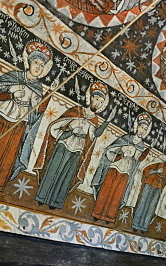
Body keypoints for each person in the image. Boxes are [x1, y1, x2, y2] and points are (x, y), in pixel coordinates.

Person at [0, 41, 53, 193]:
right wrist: (10, 93)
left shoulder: (38, 88)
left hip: (19, 124)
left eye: (41, 65)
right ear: (29, 63)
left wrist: (49, 95)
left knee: (7, 155)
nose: (38, 67)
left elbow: (37, 112)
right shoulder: (13, 76)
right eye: (36, 63)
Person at [34, 81, 112, 210]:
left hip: (77, 151)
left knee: (66, 177)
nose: (98, 103)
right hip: (63, 145)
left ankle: (55, 202)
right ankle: (42, 198)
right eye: (97, 99)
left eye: (101, 102)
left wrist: (107, 122)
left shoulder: (95, 120)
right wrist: (70, 129)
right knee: (53, 172)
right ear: (91, 97)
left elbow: (94, 135)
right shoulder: (76, 111)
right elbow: (55, 127)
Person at [90, 113, 151, 223]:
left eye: (145, 129)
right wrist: (122, 151)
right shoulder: (125, 138)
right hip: (115, 168)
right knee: (106, 191)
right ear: (137, 127)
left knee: (117, 195)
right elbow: (109, 151)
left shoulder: (141, 146)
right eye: (142, 127)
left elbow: (138, 160)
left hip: (126, 173)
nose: (143, 131)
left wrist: (137, 154)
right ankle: (97, 213)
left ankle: (109, 217)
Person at [131, 138, 166, 233]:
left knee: (151, 207)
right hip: (150, 184)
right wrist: (156, 171)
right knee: (143, 203)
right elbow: (146, 169)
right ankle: (135, 224)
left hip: (159, 188)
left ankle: (144, 226)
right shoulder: (160, 158)